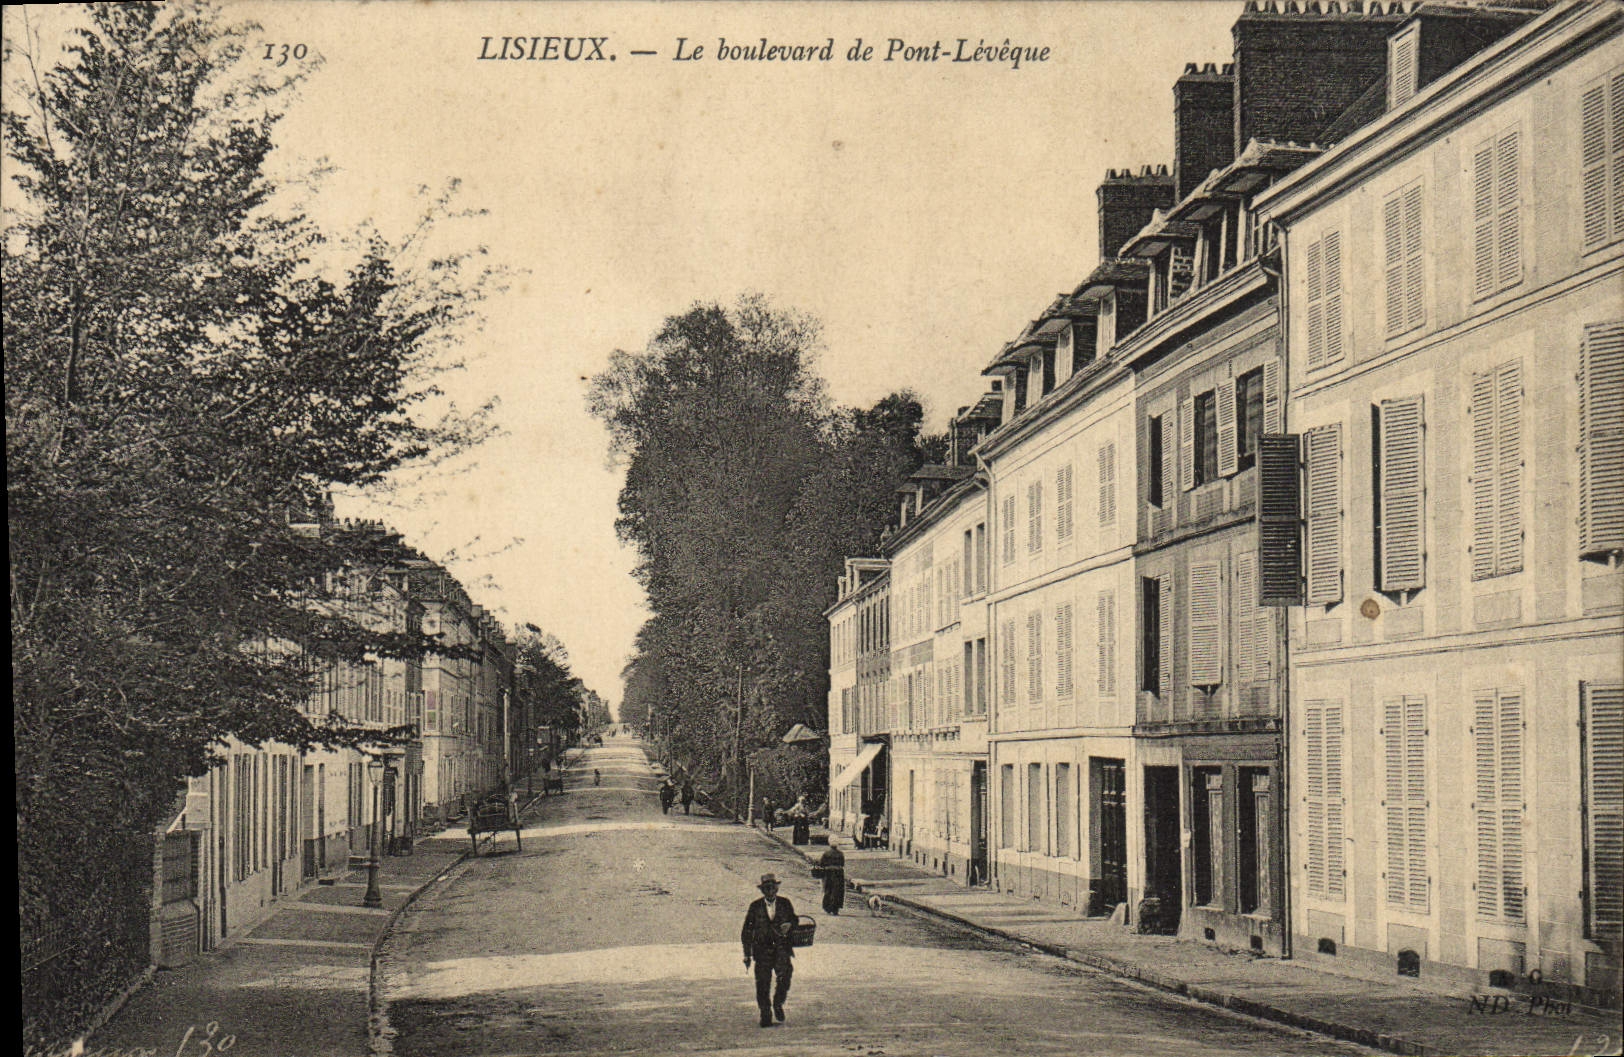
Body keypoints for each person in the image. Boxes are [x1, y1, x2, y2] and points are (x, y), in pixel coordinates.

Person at [739, 872, 796, 1028]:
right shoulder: (755, 906)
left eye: (772, 888)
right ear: (762, 890)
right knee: (762, 983)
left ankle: (778, 1003)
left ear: (777, 889)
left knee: (785, 977)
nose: (770, 891)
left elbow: (795, 920)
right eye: (767, 888)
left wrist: (790, 925)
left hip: (781, 949)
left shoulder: (785, 903)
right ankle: (765, 1013)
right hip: (762, 951)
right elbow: (746, 931)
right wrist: (747, 954)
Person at [811, 843, 845, 915]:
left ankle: (828, 907)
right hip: (838, 873)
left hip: (828, 873)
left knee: (828, 890)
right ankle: (835, 908)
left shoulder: (826, 853)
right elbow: (842, 864)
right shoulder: (840, 854)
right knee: (837, 890)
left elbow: (821, 863)